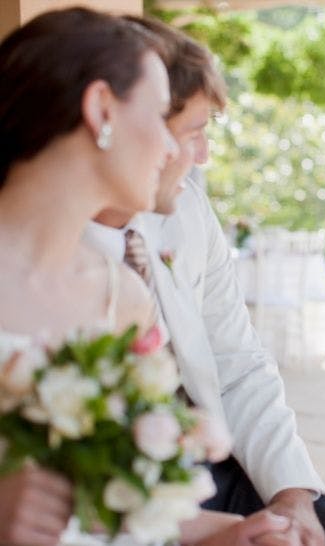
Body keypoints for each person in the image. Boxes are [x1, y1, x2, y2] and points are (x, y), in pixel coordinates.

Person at [88, 16, 325, 546]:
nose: (203, 158)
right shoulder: (53, 256)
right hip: (111, 498)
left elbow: (238, 362)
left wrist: (291, 494)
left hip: (223, 469)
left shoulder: (186, 207)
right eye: (193, 132)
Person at [0, 9, 291, 546]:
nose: (173, 147)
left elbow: (123, 509)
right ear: (101, 110)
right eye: (160, 116)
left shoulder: (123, 296)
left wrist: (233, 535)